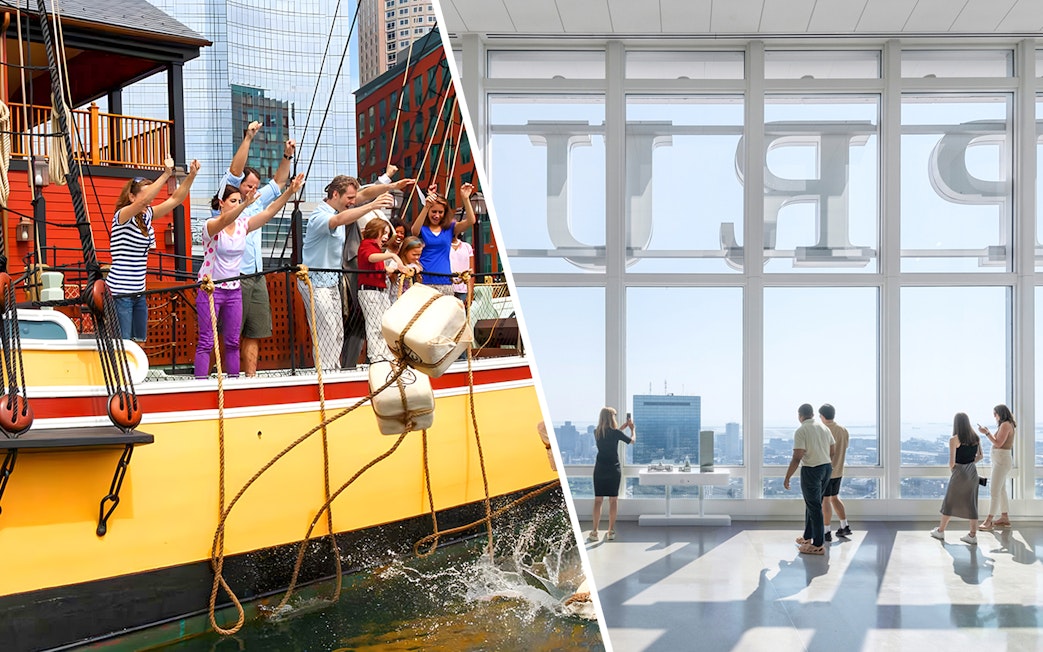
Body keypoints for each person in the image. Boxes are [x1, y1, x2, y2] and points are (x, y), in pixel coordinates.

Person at [195, 174, 305, 378]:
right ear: (221, 203)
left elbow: (269, 212)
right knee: (207, 340)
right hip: (210, 289)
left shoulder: (242, 226)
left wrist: (289, 192)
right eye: (233, 201)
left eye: (239, 200)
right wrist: (245, 204)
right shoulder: (211, 225)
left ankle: (235, 383)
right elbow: (226, 219)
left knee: (233, 341)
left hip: (233, 290)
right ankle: (199, 384)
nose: (237, 204)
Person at [299, 175, 396, 371]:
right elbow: (338, 220)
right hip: (316, 282)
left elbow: (366, 194)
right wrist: (371, 207)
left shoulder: (339, 206)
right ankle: (326, 374)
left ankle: (332, 370)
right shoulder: (320, 216)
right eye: (350, 198)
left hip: (332, 281)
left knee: (336, 331)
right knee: (325, 329)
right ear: (335, 194)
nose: (353, 202)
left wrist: (393, 185)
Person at [222, 126, 297, 377]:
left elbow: (278, 182)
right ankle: (219, 374)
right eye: (248, 186)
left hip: (256, 275)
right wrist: (248, 138)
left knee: (255, 329)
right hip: (235, 276)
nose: (252, 190)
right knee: (230, 332)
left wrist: (287, 156)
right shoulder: (227, 203)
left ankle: (251, 377)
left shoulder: (257, 201)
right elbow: (234, 172)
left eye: (255, 186)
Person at [108, 158, 200, 341]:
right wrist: (166, 173)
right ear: (132, 197)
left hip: (138, 290)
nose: (149, 199)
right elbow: (144, 202)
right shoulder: (122, 216)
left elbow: (175, 199)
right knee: (123, 343)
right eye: (145, 194)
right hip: (120, 291)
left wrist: (191, 176)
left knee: (140, 340)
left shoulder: (147, 215)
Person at [783, 403, 835, 555]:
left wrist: (787, 477)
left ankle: (818, 544)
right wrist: (824, 461)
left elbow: (797, 457)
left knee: (814, 506)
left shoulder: (801, 430)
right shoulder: (824, 428)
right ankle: (807, 537)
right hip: (826, 468)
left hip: (811, 470)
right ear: (812, 414)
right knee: (812, 503)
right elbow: (833, 450)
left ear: (800, 416)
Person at [410, 182, 476, 295]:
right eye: (433, 211)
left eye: (440, 212)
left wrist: (465, 199)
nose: (436, 215)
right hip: (424, 280)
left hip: (445, 280)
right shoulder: (423, 228)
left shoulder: (449, 228)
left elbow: (471, 221)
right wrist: (426, 206)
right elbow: (414, 231)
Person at [931, 412, 983, 545]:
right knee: (972, 503)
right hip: (972, 472)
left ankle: (940, 531)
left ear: (956, 423)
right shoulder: (976, 437)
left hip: (959, 472)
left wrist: (957, 470)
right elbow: (980, 456)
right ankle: (972, 535)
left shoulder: (954, 439)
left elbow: (951, 462)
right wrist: (970, 463)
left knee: (950, 501)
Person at [356, 219, 403, 363]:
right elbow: (370, 258)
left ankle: (384, 353)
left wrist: (390, 269)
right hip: (370, 291)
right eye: (385, 233)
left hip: (380, 291)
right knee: (374, 324)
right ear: (375, 231)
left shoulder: (376, 249)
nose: (386, 237)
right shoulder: (366, 245)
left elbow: (376, 264)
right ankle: (376, 356)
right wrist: (392, 255)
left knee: (383, 324)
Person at [589, 407, 635, 542]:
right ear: (611, 417)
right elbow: (632, 440)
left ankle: (594, 531)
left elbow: (609, 437)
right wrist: (632, 429)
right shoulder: (615, 433)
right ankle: (610, 531)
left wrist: (622, 428)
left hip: (600, 469)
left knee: (598, 500)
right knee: (613, 500)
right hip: (613, 469)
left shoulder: (596, 432)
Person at [977, 404, 1015, 531]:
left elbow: (998, 443)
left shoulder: (1005, 425)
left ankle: (989, 521)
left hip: (1001, 461)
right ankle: (1004, 517)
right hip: (1000, 461)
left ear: (1001, 413)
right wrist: (988, 432)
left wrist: (986, 433)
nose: (994, 416)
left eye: (995, 413)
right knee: (1001, 490)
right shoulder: (1006, 424)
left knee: (994, 491)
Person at [819, 404, 852, 541]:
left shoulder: (823, 430)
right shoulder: (843, 430)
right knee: (835, 497)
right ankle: (844, 525)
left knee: (825, 500)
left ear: (822, 416)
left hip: (826, 471)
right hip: (839, 470)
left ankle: (826, 531)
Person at [390, 236, 424, 300]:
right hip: (396, 297)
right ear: (405, 252)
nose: (417, 257)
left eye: (419, 255)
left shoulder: (416, 265)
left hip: (410, 298)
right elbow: (391, 278)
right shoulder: (395, 263)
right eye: (414, 254)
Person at [449, 233, 474, 304]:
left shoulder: (467, 246)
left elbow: (471, 271)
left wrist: (470, 292)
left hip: (464, 289)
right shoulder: (443, 247)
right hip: (448, 287)